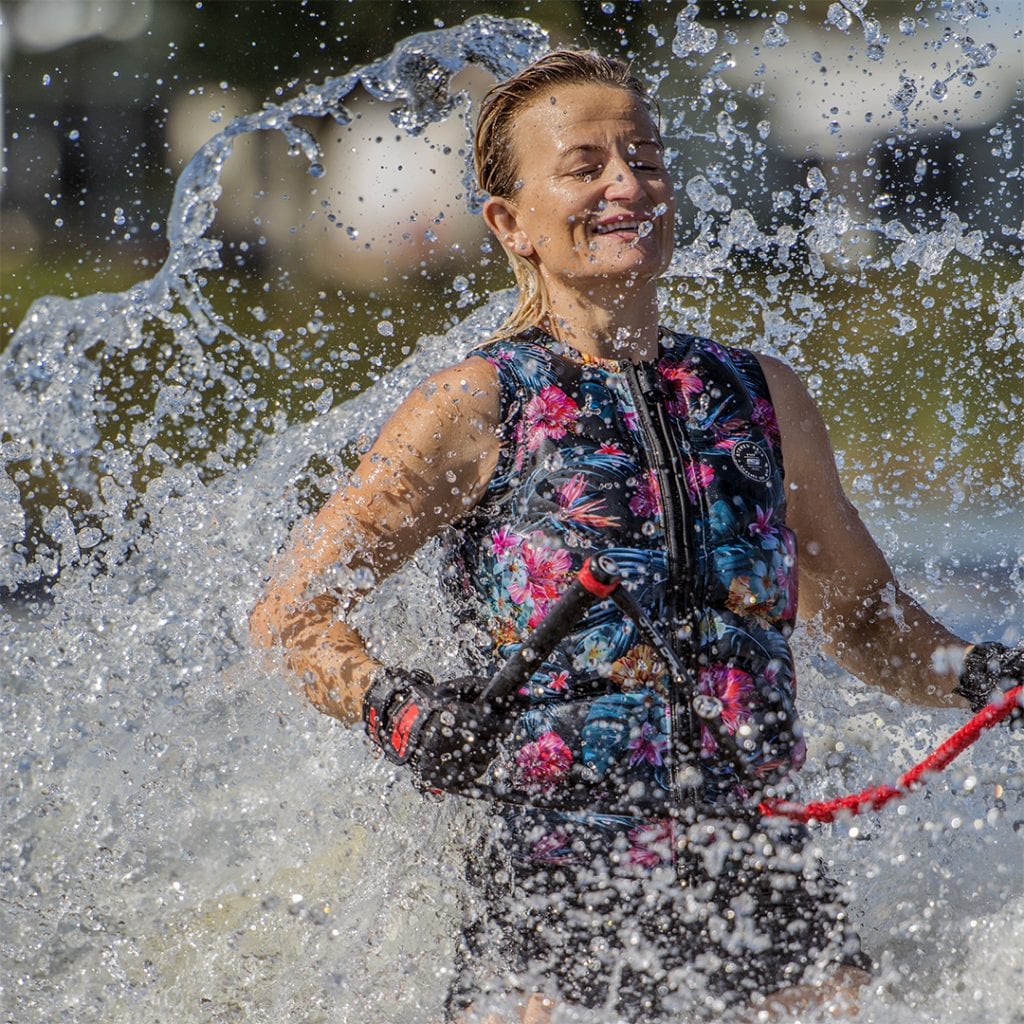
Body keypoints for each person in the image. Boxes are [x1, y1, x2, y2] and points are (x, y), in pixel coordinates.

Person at [249, 50, 1022, 1024]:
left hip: (764, 886)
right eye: (584, 166)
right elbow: (289, 614)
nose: (627, 184)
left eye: (646, 159)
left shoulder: (762, 396)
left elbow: (867, 624)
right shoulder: (475, 406)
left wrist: (984, 670)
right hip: (555, 900)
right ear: (510, 223)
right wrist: (396, 708)